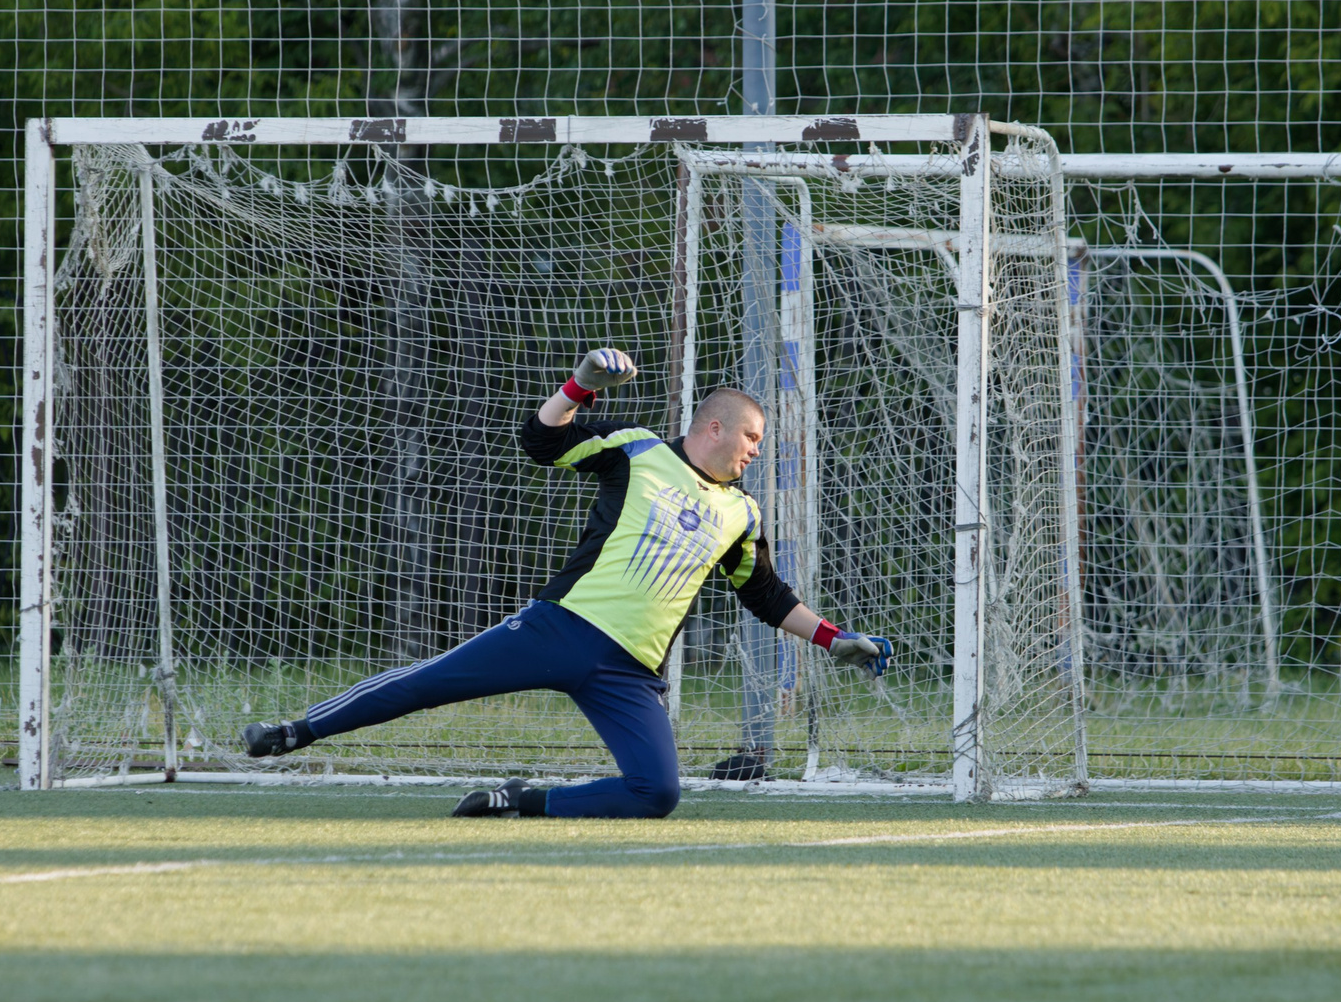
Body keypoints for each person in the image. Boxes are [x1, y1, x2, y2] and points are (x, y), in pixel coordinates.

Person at [241, 348, 894, 818]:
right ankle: (296, 731)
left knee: (657, 794)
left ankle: (520, 801)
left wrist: (834, 638)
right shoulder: (638, 449)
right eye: (751, 435)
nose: (755, 449)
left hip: (629, 673)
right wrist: (579, 386)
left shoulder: (742, 513)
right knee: (425, 683)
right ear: (714, 427)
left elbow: (766, 594)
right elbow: (540, 441)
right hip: (559, 629)